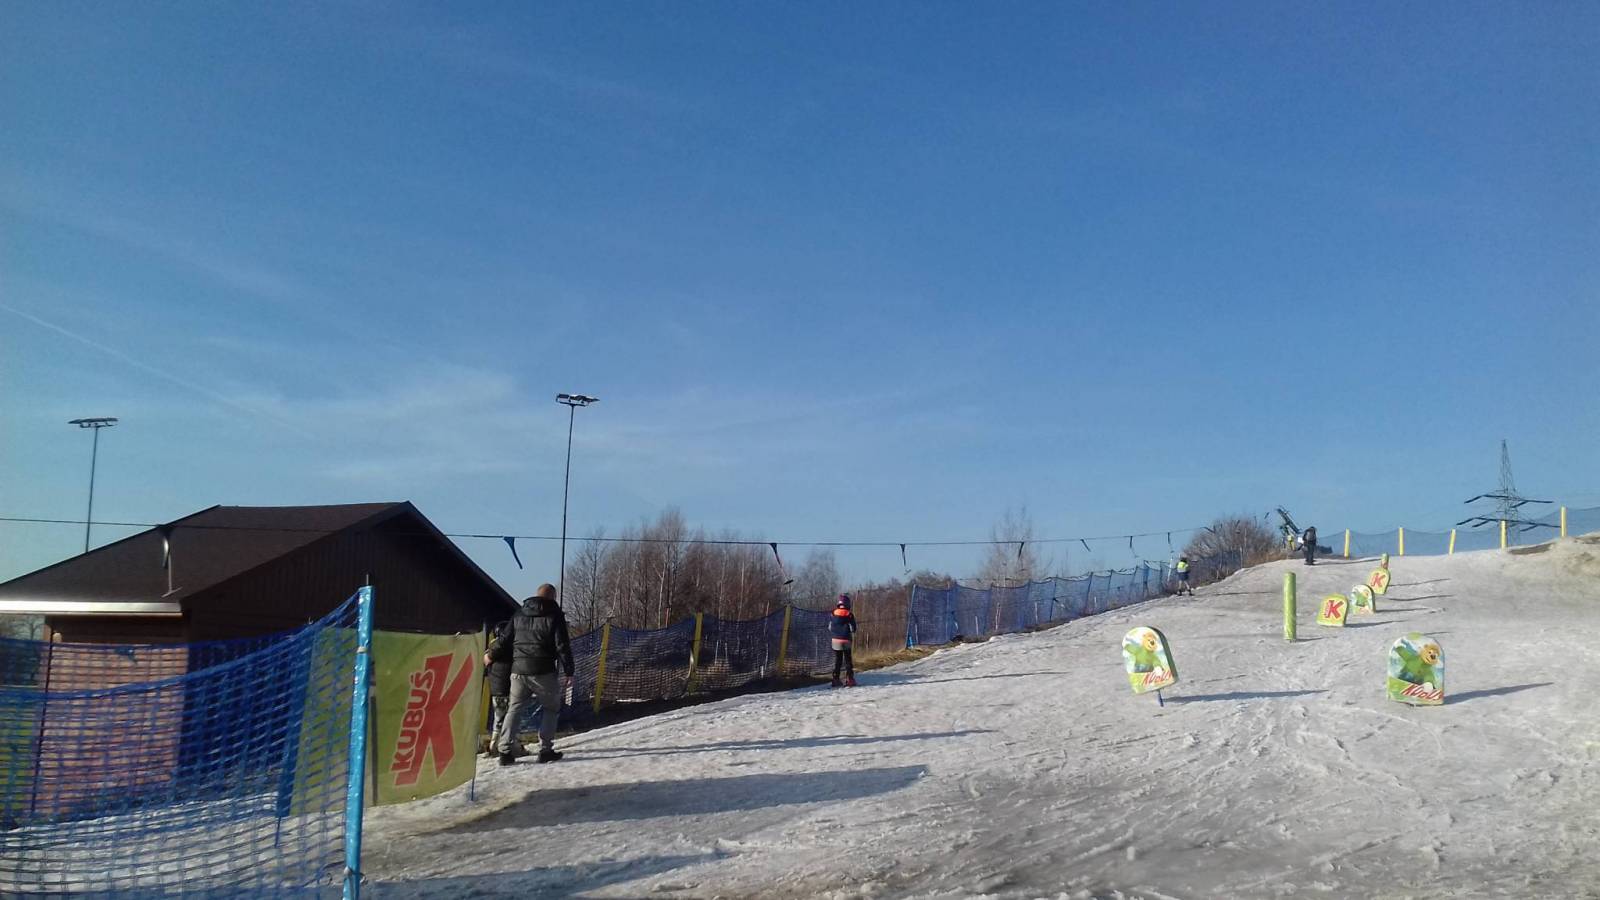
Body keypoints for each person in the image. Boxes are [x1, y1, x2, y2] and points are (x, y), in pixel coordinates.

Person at [484, 583, 574, 766]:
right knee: (551, 708)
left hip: (518, 671)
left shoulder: (519, 614)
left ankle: (505, 751)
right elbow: (562, 645)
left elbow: (504, 640)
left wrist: (490, 655)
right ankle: (545, 750)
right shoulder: (555, 615)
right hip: (543, 670)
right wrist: (569, 671)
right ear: (553, 597)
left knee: (514, 708)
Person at [482, 620, 530, 759]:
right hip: (510, 690)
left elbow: (486, 669)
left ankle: (493, 745)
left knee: (498, 720)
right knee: (512, 719)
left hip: (496, 691)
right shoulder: (512, 650)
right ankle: (515, 747)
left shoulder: (490, 650)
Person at [829, 594, 857, 687]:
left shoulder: (833, 613)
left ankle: (835, 679)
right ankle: (849, 679)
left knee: (838, 660)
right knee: (848, 660)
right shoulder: (849, 614)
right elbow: (853, 629)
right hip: (845, 640)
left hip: (835, 640)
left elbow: (829, 627)